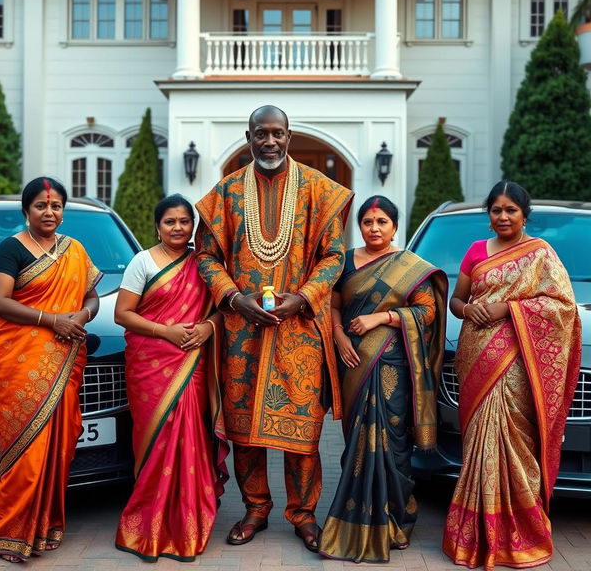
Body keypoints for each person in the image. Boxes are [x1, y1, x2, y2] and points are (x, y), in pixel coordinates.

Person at [195, 105, 353, 552]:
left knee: (303, 430)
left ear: (289, 135)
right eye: (261, 133)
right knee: (244, 428)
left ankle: (303, 515)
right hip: (242, 330)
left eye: (277, 133)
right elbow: (205, 256)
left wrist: (302, 298)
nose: (269, 141)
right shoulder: (224, 193)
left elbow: (334, 256)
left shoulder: (319, 190)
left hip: (299, 329)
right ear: (248, 136)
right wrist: (233, 297)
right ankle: (255, 509)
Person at [442, 181, 582, 570]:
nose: (503, 217)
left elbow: (563, 306)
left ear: (524, 215)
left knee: (513, 438)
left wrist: (509, 309)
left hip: (518, 363)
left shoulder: (540, 254)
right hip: (476, 356)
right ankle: (474, 536)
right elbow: (457, 300)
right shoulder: (475, 252)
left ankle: (521, 532)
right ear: (488, 216)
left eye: (511, 210)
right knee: (478, 443)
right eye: (496, 210)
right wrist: (468, 311)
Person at [318, 195, 447, 563]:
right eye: (368, 222)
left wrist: (381, 319)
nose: (374, 228)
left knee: (393, 440)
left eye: (382, 222)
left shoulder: (408, 266)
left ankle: (397, 519)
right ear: (359, 226)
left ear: (394, 226)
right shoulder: (344, 261)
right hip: (352, 361)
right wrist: (340, 337)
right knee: (357, 440)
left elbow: (426, 311)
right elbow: (333, 305)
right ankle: (355, 517)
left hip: (393, 364)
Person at [0, 177, 101, 563]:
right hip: (22, 363)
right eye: (40, 206)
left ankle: (46, 526)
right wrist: (53, 320)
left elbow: (91, 294)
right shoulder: (10, 248)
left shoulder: (75, 250)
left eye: (55, 206)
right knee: (26, 450)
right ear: (27, 211)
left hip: (64, 360)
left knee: (59, 448)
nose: (49, 212)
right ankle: (12, 534)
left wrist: (81, 316)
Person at [114, 194, 229, 562]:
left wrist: (209, 328)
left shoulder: (206, 264)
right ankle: (146, 525)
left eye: (184, 221)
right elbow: (122, 314)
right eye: (170, 222)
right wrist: (166, 332)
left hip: (193, 362)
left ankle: (187, 521)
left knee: (190, 439)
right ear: (157, 226)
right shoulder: (142, 261)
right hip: (151, 363)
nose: (178, 228)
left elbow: (223, 309)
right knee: (156, 439)